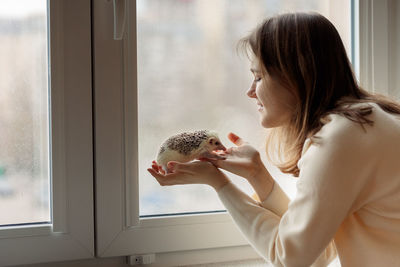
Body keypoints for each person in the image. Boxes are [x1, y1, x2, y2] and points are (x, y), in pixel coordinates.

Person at [148, 12, 400, 267]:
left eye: (258, 77)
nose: (249, 91)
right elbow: (317, 249)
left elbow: (289, 258)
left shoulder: (341, 139)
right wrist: (258, 175)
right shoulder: (370, 120)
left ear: (296, 75)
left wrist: (218, 182)